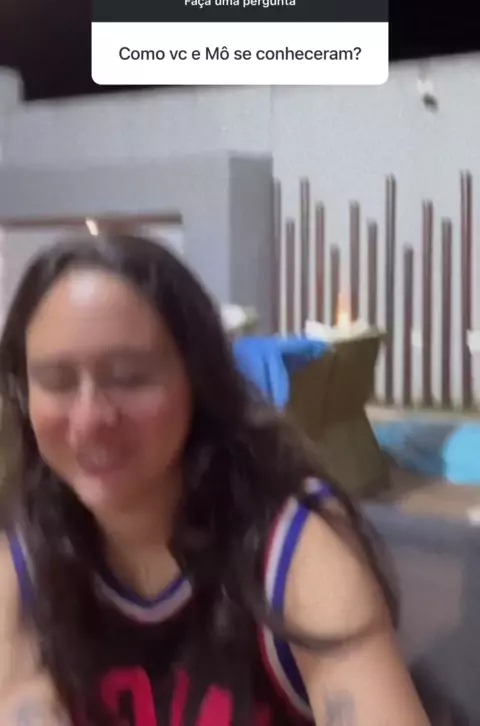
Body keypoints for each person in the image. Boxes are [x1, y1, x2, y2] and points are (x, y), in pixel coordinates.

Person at [0, 233, 429, 726]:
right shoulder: (30, 554)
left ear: (198, 381)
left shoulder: (291, 548)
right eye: (56, 381)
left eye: (129, 377)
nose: (90, 418)